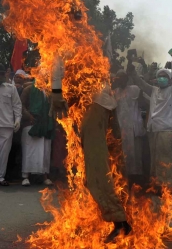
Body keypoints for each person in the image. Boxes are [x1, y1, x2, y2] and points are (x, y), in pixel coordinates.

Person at [49, 56, 132, 244]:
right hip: (104, 106)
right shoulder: (86, 39)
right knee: (113, 167)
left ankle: (120, 221)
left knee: (97, 170)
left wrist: (55, 91)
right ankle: (121, 214)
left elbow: (57, 64)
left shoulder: (66, 37)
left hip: (96, 106)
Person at [128, 53, 172, 186]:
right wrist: (132, 70)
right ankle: (156, 183)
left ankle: (167, 185)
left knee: (165, 158)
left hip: (166, 130)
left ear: (169, 79)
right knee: (154, 158)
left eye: (164, 76)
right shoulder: (153, 90)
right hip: (153, 129)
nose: (162, 78)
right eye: (160, 76)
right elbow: (140, 83)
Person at [19, 81, 55, 186]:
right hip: (31, 124)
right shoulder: (29, 89)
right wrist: (28, 116)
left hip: (46, 124)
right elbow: (21, 105)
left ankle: (45, 177)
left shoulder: (49, 91)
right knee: (29, 152)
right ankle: (25, 176)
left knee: (45, 151)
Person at [113, 70, 145, 180]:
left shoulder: (134, 89)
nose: (119, 80)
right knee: (123, 153)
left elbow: (143, 102)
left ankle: (136, 179)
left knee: (135, 153)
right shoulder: (115, 92)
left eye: (122, 78)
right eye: (118, 78)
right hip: (121, 126)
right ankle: (123, 177)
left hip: (133, 126)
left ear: (126, 79)